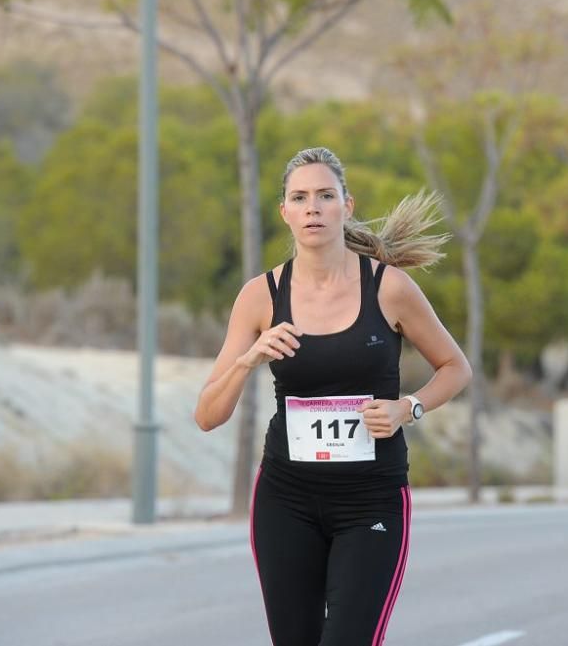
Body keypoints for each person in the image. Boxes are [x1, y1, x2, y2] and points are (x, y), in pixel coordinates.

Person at [194, 147, 472, 646]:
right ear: (285, 212)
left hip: (371, 501)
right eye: (300, 198)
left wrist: (408, 407)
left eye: (325, 195)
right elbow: (207, 415)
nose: (313, 207)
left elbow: (456, 368)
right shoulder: (261, 295)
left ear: (347, 203)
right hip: (286, 500)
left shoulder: (390, 289)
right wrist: (248, 359)